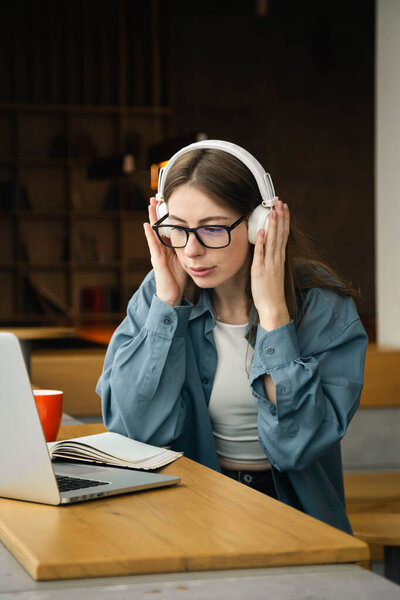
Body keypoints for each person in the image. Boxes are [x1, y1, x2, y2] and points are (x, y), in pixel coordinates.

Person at [96, 140, 368, 534]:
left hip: (295, 518)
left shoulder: (323, 306)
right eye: (178, 229)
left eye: (212, 228)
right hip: (188, 512)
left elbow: (299, 447)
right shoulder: (159, 294)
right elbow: (134, 433)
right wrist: (167, 305)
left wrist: (275, 316)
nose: (191, 251)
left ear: (260, 225)